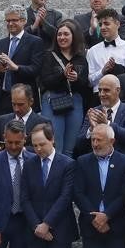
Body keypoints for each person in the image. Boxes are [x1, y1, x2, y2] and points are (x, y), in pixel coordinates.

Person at [0, 5, 44, 144]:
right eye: (7, 21)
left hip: (23, 101)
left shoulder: (34, 42)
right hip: (1, 99)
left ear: (24, 21)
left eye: (14, 20)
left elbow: (36, 69)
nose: (10, 23)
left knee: (26, 142)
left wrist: (15, 67)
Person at [38, 19, 91, 156]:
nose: (62, 37)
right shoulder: (49, 56)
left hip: (75, 101)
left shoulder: (81, 58)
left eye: (66, 34)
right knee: (56, 145)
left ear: (74, 36)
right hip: (53, 100)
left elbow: (85, 84)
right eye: (59, 34)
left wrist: (76, 79)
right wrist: (63, 75)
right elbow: (46, 81)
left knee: (70, 148)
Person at [0, 83, 50, 151]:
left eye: (20, 104)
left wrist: (22, 150)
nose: (16, 109)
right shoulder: (2, 120)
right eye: (14, 104)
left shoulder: (43, 123)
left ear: (31, 101)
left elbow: (48, 148)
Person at [86, 7, 125, 95]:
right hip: (99, 95)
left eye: (106, 23)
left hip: (123, 94)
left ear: (118, 24)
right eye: (100, 24)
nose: (102, 27)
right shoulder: (93, 51)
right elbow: (90, 81)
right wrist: (102, 71)